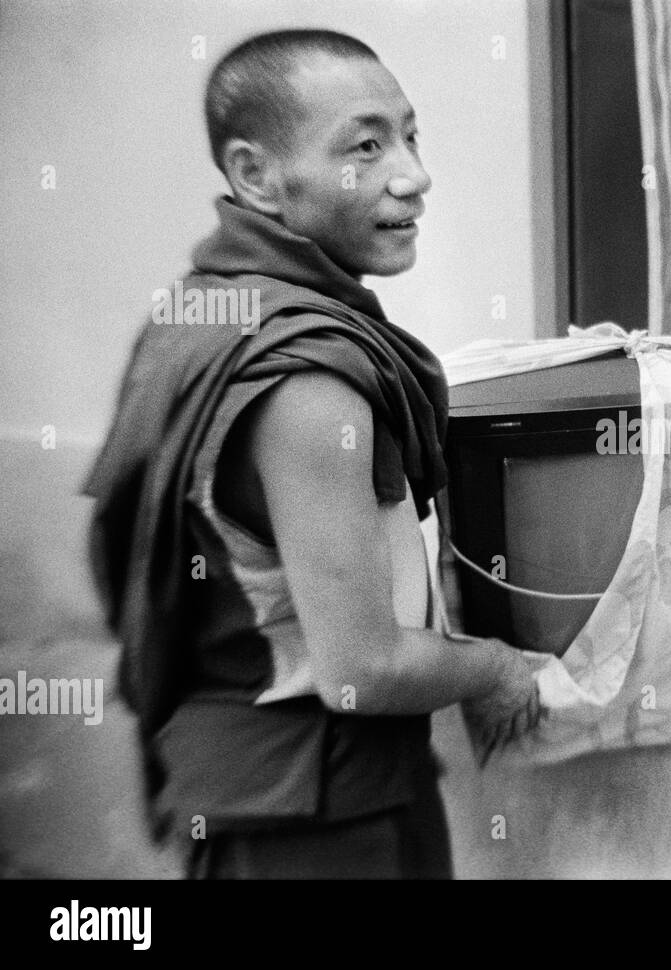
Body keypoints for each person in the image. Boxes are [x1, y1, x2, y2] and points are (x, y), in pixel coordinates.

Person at [84, 29, 540, 879]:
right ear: (256, 176)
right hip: (321, 819)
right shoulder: (304, 380)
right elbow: (360, 668)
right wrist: (498, 669)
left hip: (261, 790)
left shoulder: (204, 313)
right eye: (365, 147)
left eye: (410, 135)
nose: (413, 173)